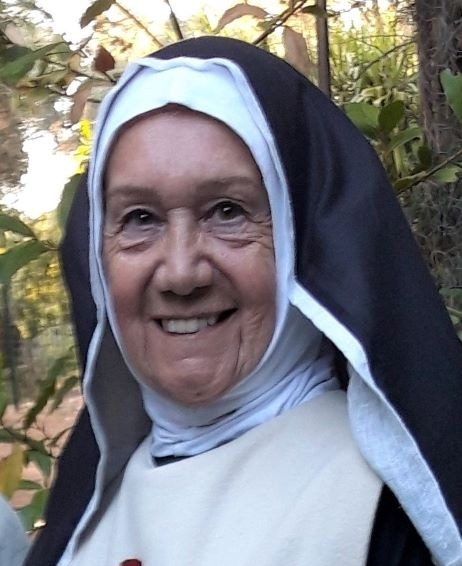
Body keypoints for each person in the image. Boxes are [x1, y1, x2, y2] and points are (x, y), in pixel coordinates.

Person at [25, 36, 462, 566]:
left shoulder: (387, 517)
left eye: (227, 211)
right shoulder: (82, 521)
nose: (181, 273)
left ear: (303, 241)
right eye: (140, 219)